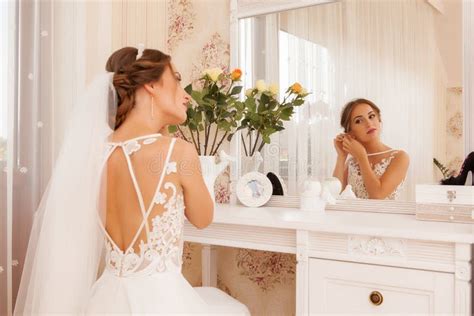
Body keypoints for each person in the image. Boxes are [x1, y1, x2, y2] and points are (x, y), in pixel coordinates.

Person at [15, 46, 249, 314]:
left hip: (107, 297)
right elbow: (203, 218)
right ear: (151, 85)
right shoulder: (177, 151)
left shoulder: (94, 155)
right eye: (177, 78)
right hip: (162, 300)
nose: (186, 96)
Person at [332, 98, 409, 200]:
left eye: (371, 116)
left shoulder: (400, 157)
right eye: (359, 121)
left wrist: (362, 157)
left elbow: (377, 195)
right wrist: (341, 156)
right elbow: (334, 195)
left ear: (379, 119)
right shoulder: (351, 164)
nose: (369, 124)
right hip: (353, 216)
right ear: (350, 131)